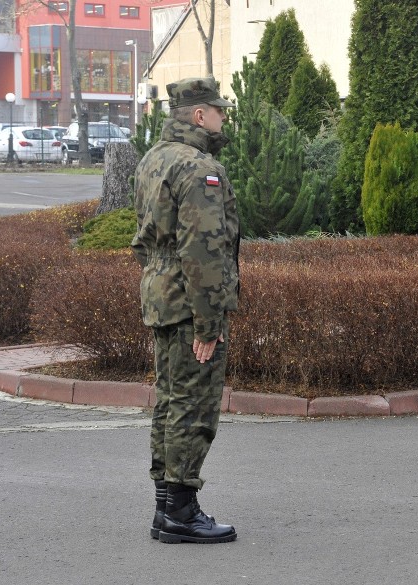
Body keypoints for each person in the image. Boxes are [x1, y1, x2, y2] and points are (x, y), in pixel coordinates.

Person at [131, 77, 240, 543]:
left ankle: (166, 507)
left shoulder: (152, 160)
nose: (221, 118)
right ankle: (181, 511)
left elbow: (143, 242)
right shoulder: (199, 169)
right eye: (217, 111)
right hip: (191, 304)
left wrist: (163, 283)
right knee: (193, 407)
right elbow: (206, 250)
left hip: (161, 297)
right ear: (199, 115)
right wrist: (209, 321)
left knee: (170, 401)